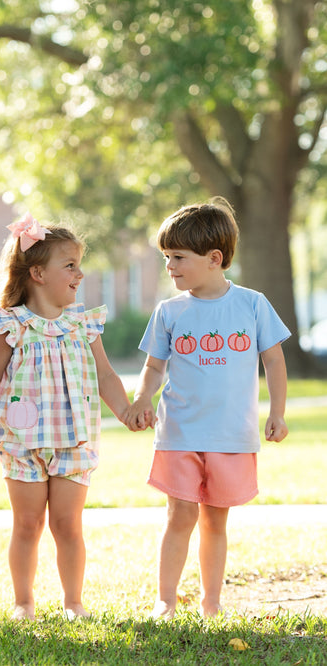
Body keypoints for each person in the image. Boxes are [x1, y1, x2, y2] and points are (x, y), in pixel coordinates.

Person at [126, 198, 290, 619]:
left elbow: (273, 360)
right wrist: (143, 396)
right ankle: (166, 599)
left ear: (214, 259)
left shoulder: (252, 305)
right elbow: (153, 365)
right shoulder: (169, 311)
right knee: (179, 515)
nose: (169, 266)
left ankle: (211, 602)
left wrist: (277, 412)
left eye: (178, 257)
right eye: (166, 257)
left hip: (231, 436)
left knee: (215, 522)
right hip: (179, 432)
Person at [0, 213, 130, 620]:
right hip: (21, 443)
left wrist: (126, 411)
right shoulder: (12, 324)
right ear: (37, 272)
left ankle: (73, 602)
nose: (80, 273)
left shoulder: (82, 324)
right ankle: (24, 602)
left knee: (67, 524)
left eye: (78, 264)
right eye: (70, 265)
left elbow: (106, 375)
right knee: (27, 525)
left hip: (73, 440)